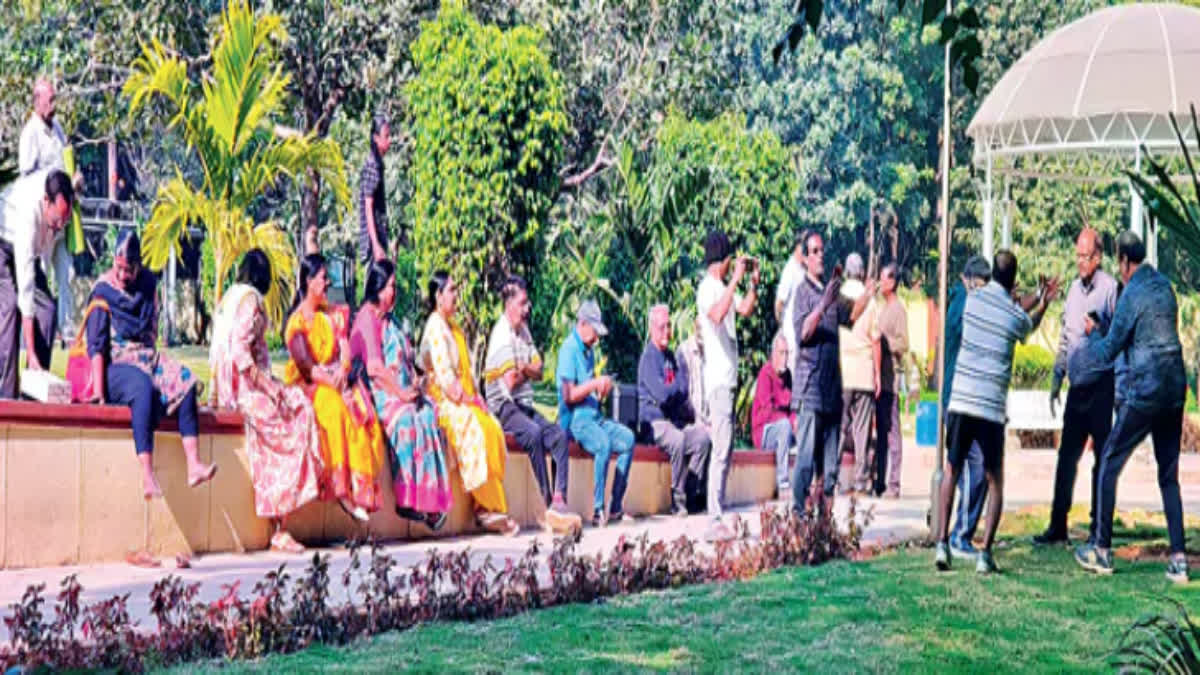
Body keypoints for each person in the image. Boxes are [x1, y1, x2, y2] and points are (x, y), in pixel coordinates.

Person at [1074, 232, 1188, 583]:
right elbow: (1145, 334)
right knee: (1168, 476)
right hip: (1175, 387)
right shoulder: (1164, 287)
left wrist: (1094, 334)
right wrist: (1109, 331)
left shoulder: (1131, 292)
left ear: (1124, 261)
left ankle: (1102, 551)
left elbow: (1110, 351)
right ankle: (1179, 559)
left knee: (1108, 461)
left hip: (1146, 389)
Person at [933, 250, 1056, 574]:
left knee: (952, 469)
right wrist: (1043, 302)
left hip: (961, 399)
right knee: (994, 479)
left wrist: (1028, 299)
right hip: (989, 407)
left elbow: (1009, 306)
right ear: (1013, 279)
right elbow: (1027, 323)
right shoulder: (1012, 315)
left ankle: (942, 544)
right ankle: (985, 553)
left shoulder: (972, 300)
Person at [85, 230, 216, 499]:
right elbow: (97, 347)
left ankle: (194, 465)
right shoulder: (102, 292)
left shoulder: (147, 285)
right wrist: (99, 394)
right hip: (116, 366)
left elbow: (151, 335)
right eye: (119, 268)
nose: (123, 276)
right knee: (142, 387)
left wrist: (158, 370)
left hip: (145, 357)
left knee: (185, 380)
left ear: (139, 266)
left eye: (129, 270)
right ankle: (147, 474)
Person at [210, 249, 323, 553]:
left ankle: (281, 522)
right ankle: (280, 525)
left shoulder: (232, 296)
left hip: (231, 387)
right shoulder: (251, 302)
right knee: (296, 416)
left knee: (296, 404)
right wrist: (269, 388)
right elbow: (240, 353)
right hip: (245, 390)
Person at [285, 253, 387, 522]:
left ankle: (361, 490)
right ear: (309, 281)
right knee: (334, 408)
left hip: (336, 380)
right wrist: (332, 381)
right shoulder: (297, 322)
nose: (328, 282)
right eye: (322, 277)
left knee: (362, 410)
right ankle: (341, 490)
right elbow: (307, 367)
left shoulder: (335, 315)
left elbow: (344, 352)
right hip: (310, 386)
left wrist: (342, 373)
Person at [1033, 228, 1118, 547]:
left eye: (1085, 256)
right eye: (1078, 256)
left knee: (1103, 459)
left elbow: (1119, 336)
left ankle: (1100, 529)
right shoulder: (1072, 290)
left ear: (1098, 257)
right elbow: (1066, 340)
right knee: (1067, 456)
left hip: (1102, 386)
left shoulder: (1110, 289)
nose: (1080, 262)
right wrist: (1056, 379)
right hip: (1076, 387)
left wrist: (1101, 329)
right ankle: (1058, 526)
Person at [353, 259, 452, 532]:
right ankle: (406, 498)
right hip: (380, 393)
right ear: (378, 288)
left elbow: (407, 361)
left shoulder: (392, 320)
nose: (394, 292)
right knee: (408, 419)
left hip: (402, 389)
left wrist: (417, 385)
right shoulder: (367, 317)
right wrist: (401, 393)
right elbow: (374, 368)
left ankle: (430, 505)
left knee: (429, 414)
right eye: (390, 287)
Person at [420, 270, 519, 536]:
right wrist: (469, 401)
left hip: (461, 398)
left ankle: (484, 507)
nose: (456, 295)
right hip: (441, 401)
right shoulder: (435, 327)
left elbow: (467, 377)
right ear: (438, 296)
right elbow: (445, 379)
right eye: (451, 290)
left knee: (493, 428)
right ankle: (489, 508)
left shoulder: (454, 328)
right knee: (474, 427)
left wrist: (477, 400)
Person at [484, 275, 581, 534]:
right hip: (503, 406)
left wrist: (523, 367)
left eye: (527, 303)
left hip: (523, 405)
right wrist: (527, 370)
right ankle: (548, 500)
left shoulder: (523, 331)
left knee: (559, 435)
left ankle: (559, 501)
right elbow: (511, 382)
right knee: (533, 433)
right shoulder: (501, 335)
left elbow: (540, 371)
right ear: (509, 305)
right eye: (522, 303)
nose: (527, 309)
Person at [790, 231, 873, 510]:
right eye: (814, 251)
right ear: (804, 258)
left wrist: (869, 292)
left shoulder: (831, 293)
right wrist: (823, 304)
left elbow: (851, 315)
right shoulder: (802, 293)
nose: (820, 255)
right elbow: (803, 333)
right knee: (804, 462)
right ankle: (798, 517)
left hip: (832, 392)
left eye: (822, 250)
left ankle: (824, 530)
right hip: (810, 390)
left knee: (829, 469)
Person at [697, 230, 759, 541]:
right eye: (730, 260)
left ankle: (717, 512)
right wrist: (735, 279)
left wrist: (752, 283)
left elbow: (744, 309)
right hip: (718, 381)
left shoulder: (722, 287)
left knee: (727, 448)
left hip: (729, 380)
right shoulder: (709, 288)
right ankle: (713, 517)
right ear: (721, 261)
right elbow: (718, 315)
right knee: (721, 450)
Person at [557, 299, 636, 527]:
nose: (597, 339)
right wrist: (594, 384)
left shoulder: (588, 351)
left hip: (595, 417)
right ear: (582, 324)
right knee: (603, 444)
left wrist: (601, 390)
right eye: (594, 332)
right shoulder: (568, 349)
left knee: (628, 439)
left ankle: (615, 507)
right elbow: (569, 396)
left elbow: (588, 388)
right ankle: (598, 509)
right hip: (576, 420)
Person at [19, 78, 82, 344]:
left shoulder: (57, 128)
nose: (54, 104)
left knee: (67, 274)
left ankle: (66, 331)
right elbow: (26, 175)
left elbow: (64, 164)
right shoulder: (30, 133)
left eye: (55, 98)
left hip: (63, 220)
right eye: (50, 99)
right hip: (42, 220)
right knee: (40, 276)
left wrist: (74, 180)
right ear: (38, 101)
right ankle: (36, 333)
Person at [0, 169, 73, 398]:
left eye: (65, 220)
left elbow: (55, 266)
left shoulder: (62, 216)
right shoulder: (29, 214)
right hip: (4, 243)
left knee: (48, 310)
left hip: (29, 254)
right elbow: (26, 287)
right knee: (11, 307)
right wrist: (30, 350)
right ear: (45, 201)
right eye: (56, 220)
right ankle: (6, 395)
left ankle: (33, 390)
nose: (60, 225)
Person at [638, 304, 711, 516]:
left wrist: (675, 390)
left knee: (702, 440)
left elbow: (683, 387)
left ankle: (691, 493)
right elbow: (662, 394)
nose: (667, 332)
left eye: (669, 326)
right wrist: (675, 390)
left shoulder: (671, 356)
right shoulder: (648, 358)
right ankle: (677, 500)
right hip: (654, 422)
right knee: (677, 439)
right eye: (662, 327)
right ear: (652, 328)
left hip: (674, 422)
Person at [944, 256, 992, 560]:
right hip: (959, 399)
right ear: (970, 280)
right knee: (969, 470)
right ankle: (958, 535)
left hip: (970, 398)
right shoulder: (961, 303)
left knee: (978, 468)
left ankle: (960, 533)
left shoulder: (968, 301)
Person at [836, 252, 879, 495]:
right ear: (861, 272)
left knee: (840, 427)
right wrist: (876, 375)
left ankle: (835, 478)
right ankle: (861, 481)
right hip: (863, 371)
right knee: (862, 429)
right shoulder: (870, 301)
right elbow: (875, 340)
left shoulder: (840, 296)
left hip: (842, 371)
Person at [874, 263, 908, 498]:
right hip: (879, 380)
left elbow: (904, 343)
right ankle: (880, 481)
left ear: (893, 282)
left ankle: (894, 483)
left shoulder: (898, 310)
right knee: (882, 434)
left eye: (884, 279)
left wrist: (885, 344)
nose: (880, 282)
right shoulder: (881, 308)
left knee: (893, 433)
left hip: (891, 380)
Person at [752, 334, 795, 495]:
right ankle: (783, 483)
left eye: (786, 353)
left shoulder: (788, 375)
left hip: (784, 427)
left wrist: (795, 422)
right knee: (784, 426)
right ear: (773, 354)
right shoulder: (765, 374)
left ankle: (811, 484)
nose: (785, 358)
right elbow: (768, 411)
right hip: (764, 430)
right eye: (781, 353)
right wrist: (788, 421)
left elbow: (791, 408)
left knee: (807, 426)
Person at [357, 115, 392, 263]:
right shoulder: (372, 166)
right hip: (373, 242)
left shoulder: (378, 164)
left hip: (379, 234)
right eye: (386, 136)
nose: (390, 140)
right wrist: (376, 245)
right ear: (376, 138)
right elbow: (368, 207)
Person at [775, 231, 807, 357]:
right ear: (799, 247)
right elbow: (778, 303)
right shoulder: (790, 270)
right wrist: (783, 330)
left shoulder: (802, 269)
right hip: (791, 340)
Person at [678, 318, 709, 431]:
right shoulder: (683, 352)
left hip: (709, 423)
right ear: (695, 329)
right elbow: (682, 395)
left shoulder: (712, 351)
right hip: (690, 424)